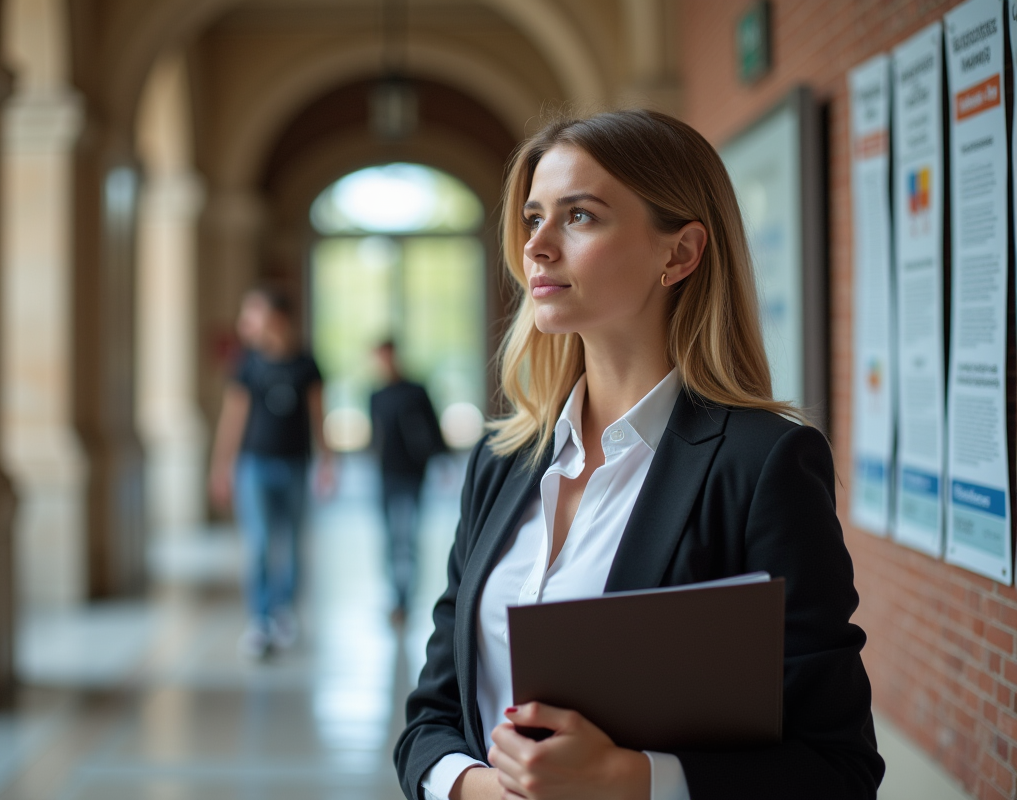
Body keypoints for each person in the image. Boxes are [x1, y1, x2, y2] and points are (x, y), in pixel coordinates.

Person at [394, 110, 884, 800]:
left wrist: (635, 780)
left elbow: (838, 769)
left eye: (581, 217)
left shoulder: (762, 465)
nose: (537, 246)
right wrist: (476, 788)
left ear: (679, 254)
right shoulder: (504, 459)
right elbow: (431, 720)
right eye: (533, 218)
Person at [209, 287, 333, 660]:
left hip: (296, 463)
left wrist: (328, 461)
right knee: (260, 542)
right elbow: (233, 418)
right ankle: (260, 618)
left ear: (277, 319)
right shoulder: (247, 364)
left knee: (292, 541)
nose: (245, 323)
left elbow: (318, 415)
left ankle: (283, 612)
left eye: (254, 314)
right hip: (253, 465)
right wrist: (221, 466)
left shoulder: (306, 363)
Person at [370, 340, 447, 625]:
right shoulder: (375, 394)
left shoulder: (415, 391)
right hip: (385, 474)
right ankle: (395, 596)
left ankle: (406, 598)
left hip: (413, 473)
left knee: (409, 536)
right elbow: (375, 434)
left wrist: (441, 460)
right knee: (391, 538)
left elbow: (432, 426)